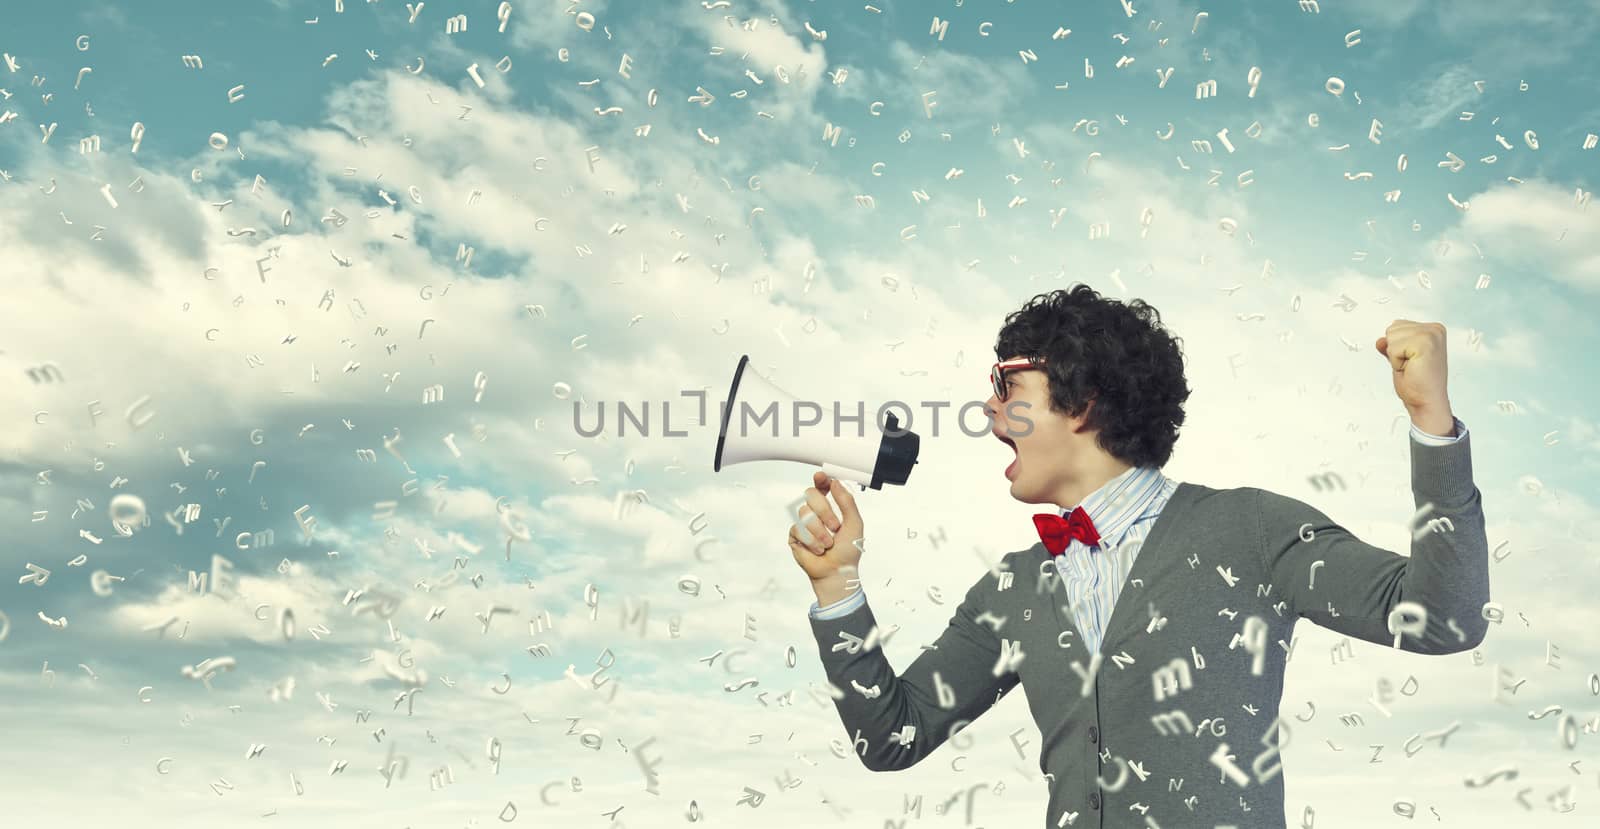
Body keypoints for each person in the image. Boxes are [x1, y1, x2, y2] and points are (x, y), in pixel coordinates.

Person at [787, 285, 1488, 828]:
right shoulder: (1011, 588)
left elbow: (1446, 618)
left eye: (1009, 387)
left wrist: (1432, 420)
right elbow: (891, 738)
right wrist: (837, 584)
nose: (988, 410)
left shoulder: (1251, 529)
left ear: (1083, 403)